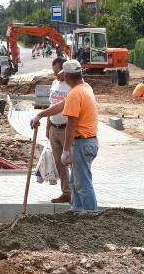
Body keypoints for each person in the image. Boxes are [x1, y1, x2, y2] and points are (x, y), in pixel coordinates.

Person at [31, 59, 98, 211]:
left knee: (83, 185)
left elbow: (72, 125)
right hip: (88, 142)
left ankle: (92, 219)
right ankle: (76, 215)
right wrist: (40, 115)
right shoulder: (85, 87)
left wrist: (66, 150)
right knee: (76, 184)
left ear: (67, 77)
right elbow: (60, 106)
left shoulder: (75, 94)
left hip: (82, 143)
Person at [39, 57, 72, 203]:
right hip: (54, 128)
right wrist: (48, 126)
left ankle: (78, 193)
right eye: (54, 71)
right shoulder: (54, 83)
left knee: (72, 162)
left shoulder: (72, 86)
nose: (55, 74)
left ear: (64, 70)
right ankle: (66, 192)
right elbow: (52, 106)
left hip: (67, 130)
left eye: (57, 71)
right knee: (60, 163)